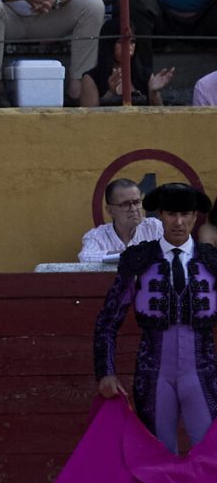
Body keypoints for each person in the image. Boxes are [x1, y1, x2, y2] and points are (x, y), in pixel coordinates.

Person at [89, 180, 217, 455]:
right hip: (154, 373)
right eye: (172, 214)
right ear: (160, 216)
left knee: (212, 456)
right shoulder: (139, 259)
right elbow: (108, 320)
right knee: (157, 454)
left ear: (196, 217)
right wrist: (106, 371)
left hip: (203, 373)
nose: (179, 222)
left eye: (186, 214)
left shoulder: (212, 261)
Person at [81, 178, 167, 264]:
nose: (133, 209)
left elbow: (173, 251)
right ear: (110, 211)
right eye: (125, 204)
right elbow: (85, 257)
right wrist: (127, 255)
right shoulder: (97, 236)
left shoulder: (154, 228)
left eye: (137, 202)